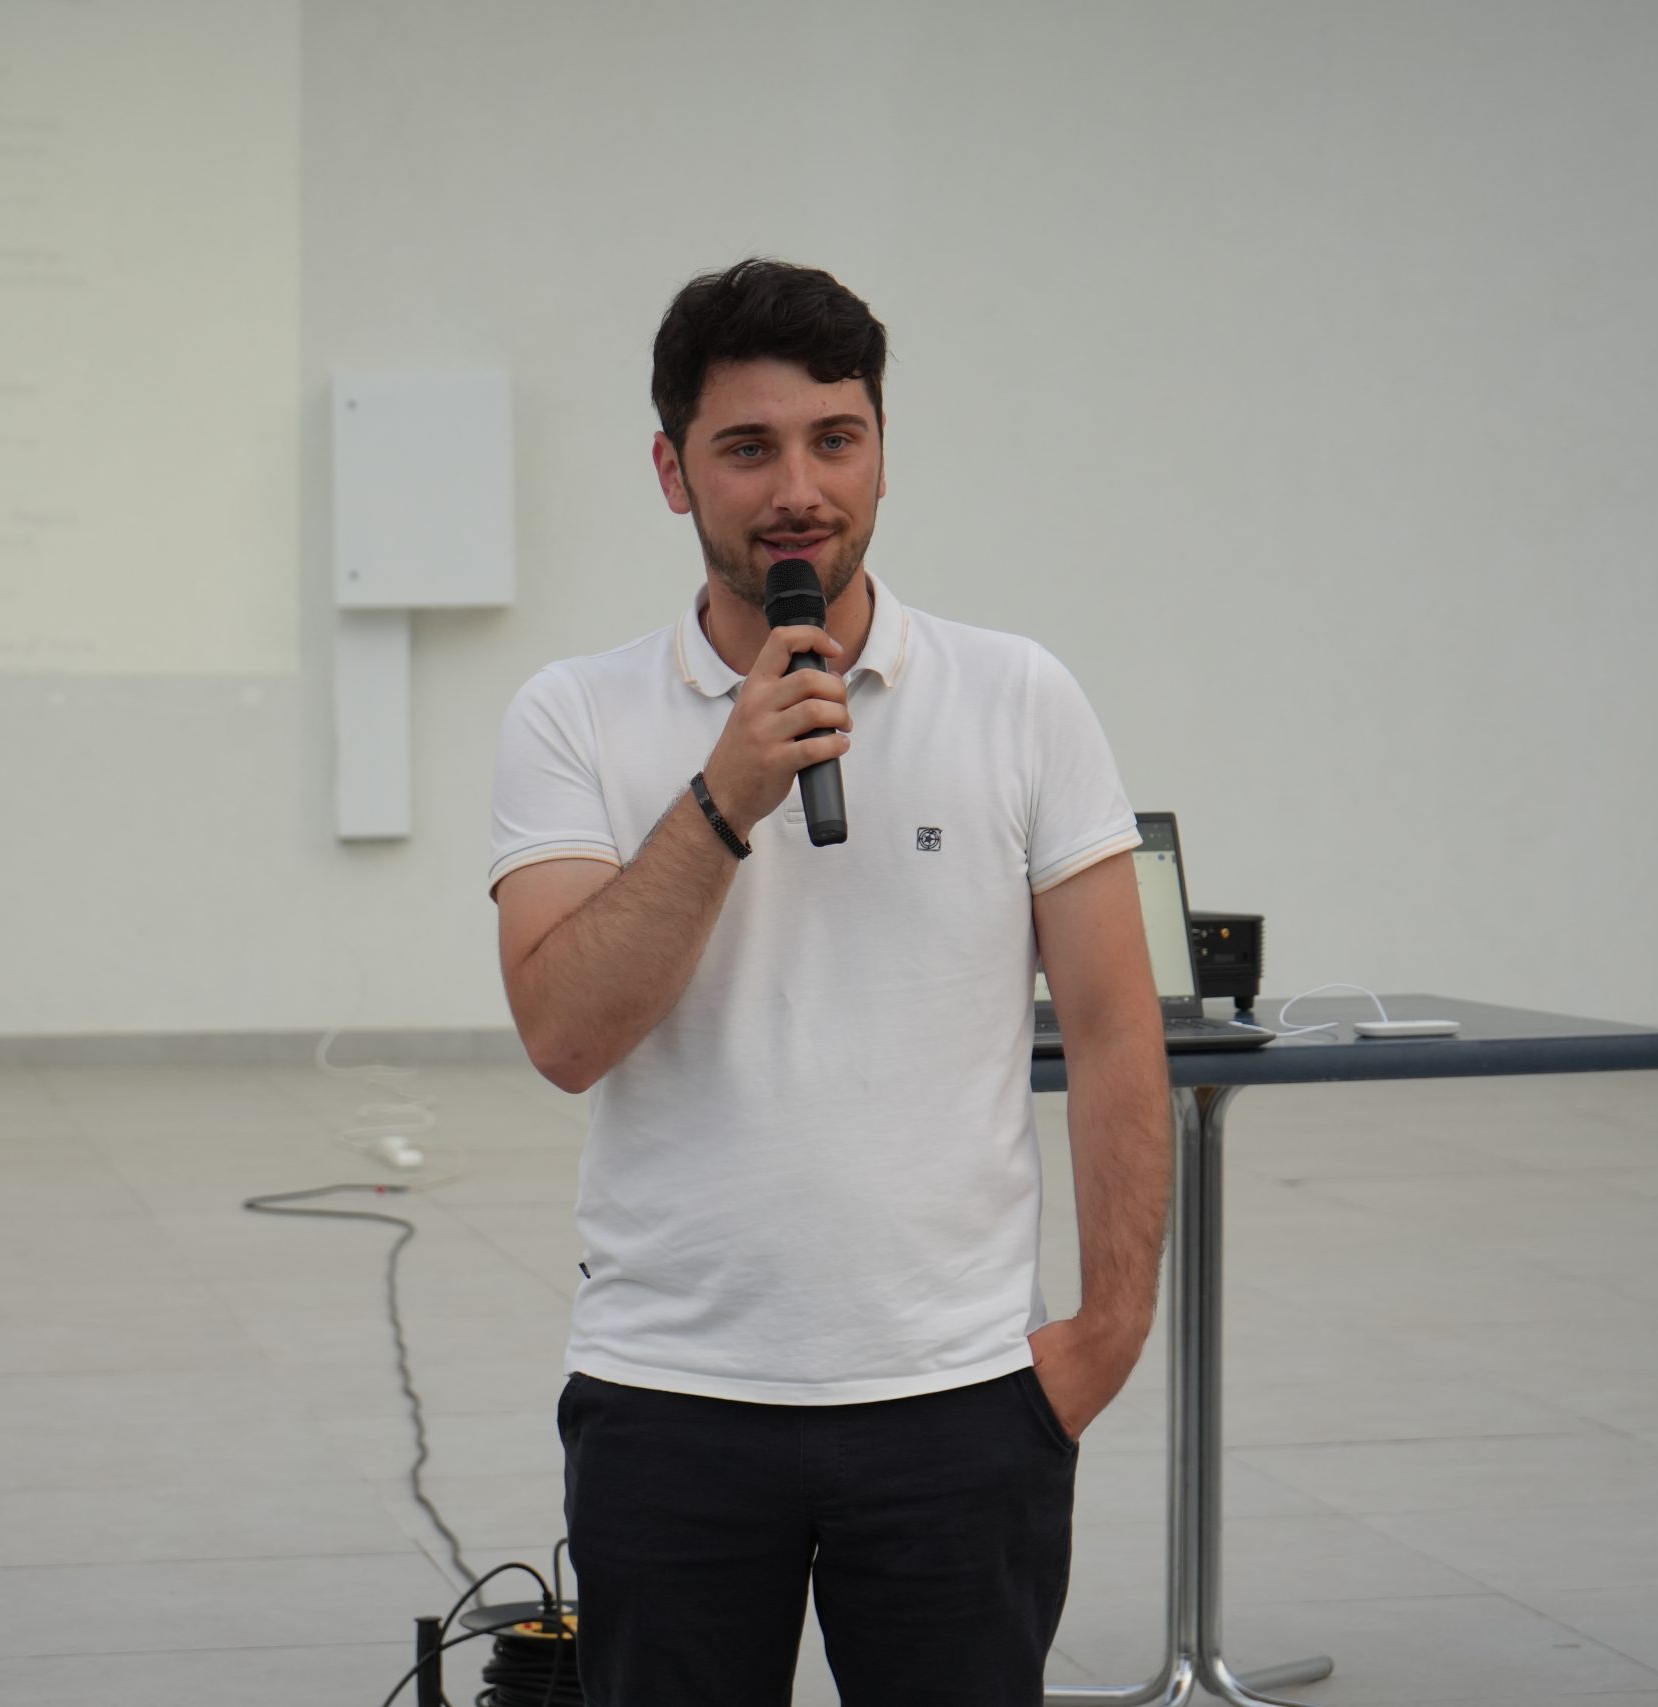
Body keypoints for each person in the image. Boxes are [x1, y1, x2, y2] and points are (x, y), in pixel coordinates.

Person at [487, 258, 1171, 1706]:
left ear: (880, 452)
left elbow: (1117, 1033)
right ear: (672, 471)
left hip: (960, 1404)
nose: (798, 490)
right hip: (671, 1398)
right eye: (748, 447)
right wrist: (726, 794)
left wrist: (1104, 1338)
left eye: (835, 440)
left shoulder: (1019, 696)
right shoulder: (574, 715)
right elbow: (564, 1033)